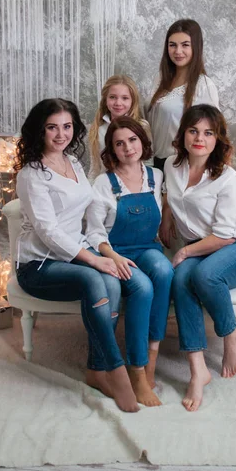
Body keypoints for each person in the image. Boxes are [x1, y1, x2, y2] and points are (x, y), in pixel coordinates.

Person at [14, 98, 139, 413]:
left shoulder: (74, 162)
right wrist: (94, 259)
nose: (60, 134)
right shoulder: (31, 174)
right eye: (52, 127)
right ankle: (117, 371)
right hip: (39, 264)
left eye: (67, 126)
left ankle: (96, 370)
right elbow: (49, 232)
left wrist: (104, 246)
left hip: (75, 253)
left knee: (111, 283)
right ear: (39, 130)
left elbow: (85, 213)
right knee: (92, 278)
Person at [161, 104, 236, 412]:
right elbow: (168, 195)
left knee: (203, 276)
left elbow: (226, 235)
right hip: (200, 247)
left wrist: (186, 250)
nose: (199, 138)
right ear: (183, 135)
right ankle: (197, 369)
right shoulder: (171, 167)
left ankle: (231, 333)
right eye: (193, 131)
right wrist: (166, 218)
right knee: (180, 279)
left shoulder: (227, 179)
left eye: (208, 133)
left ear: (218, 139)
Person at [85, 117, 174, 407]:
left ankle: (151, 359)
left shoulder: (156, 176)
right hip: (114, 250)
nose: (128, 147)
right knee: (143, 288)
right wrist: (112, 256)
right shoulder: (104, 183)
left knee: (163, 269)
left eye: (133, 140)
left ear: (142, 141)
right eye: (119, 143)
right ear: (111, 149)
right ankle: (137, 371)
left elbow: (164, 211)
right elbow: (94, 232)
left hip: (146, 247)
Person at [147, 19, 219, 171]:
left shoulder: (204, 85)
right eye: (172, 45)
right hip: (152, 162)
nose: (178, 51)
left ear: (196, 47)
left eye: (185, 45)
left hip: (181, 164)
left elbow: (212, 133)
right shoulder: (159, 79)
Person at [88, 74, 152, 181]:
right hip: (106, 188)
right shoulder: (97, 129)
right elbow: (95, 168)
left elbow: (149, 162)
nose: (118, 103)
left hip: (135, 186)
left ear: (133, 100)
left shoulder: (142, 126)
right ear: (105, 99)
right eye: (112, 97)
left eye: (125, 98)